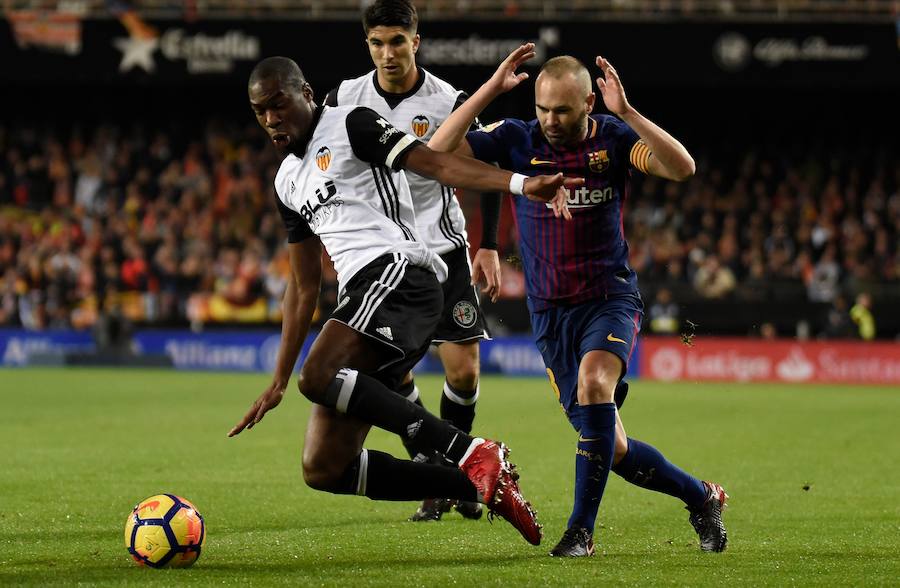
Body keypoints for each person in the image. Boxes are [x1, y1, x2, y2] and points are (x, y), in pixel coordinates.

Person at [228, 54, 579, 546]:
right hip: (367, 302)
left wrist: (520, 185)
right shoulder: (287, 181)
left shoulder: (350, 122)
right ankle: (479, 486)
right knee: (325, 467)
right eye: (259, 111)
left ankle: (470, 450)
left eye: (278, 104)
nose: (271, 119)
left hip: (400, 273)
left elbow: (435, 161)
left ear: (306, 93)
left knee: (321, 375)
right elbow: (303, 285)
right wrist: (278, 381)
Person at [427, 47, 729, 556]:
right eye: (543, 108)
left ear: (589, 102)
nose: (550, 120)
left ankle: (580, 533)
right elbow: (437, 151)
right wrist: (490, 89)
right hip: (550, 315)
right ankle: (701, 496)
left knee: (594, 383)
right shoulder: (518, 138)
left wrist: (628, 112)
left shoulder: (612, 141)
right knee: (614, 449)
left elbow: (682, 168)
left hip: (609, 298)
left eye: (562, 110)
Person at [324, 0, 502, 522]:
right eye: (377, 43)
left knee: (463, 371)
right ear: (368, 45)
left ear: (415, 41)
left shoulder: (446, 99)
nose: (387, 53)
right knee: (391, 377)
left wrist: (489, 244)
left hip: (443, 249)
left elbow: (484, 162)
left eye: (397, 42)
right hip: (383, 258)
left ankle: (462, 471)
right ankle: (442, 480)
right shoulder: (344, 98)